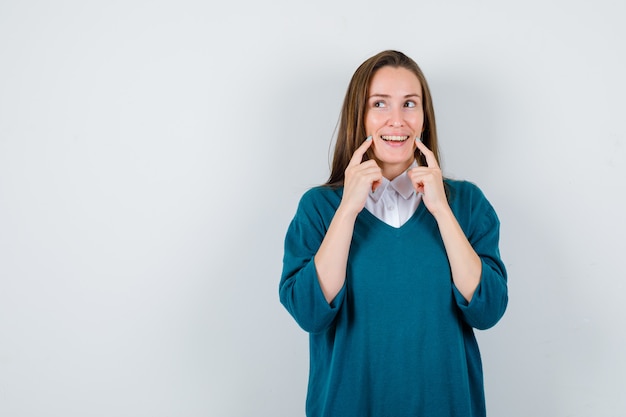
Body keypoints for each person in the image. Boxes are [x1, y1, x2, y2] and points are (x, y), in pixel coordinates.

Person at [279, 50, 508, 417]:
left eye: (409, 104)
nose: (397, 120)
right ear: (361, 115)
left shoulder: (466, 204)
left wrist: (441, 210)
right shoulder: (319, 209)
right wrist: (348, 208)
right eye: (380, 104)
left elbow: (488, 310)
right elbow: (309, 313)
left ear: (424, 116)